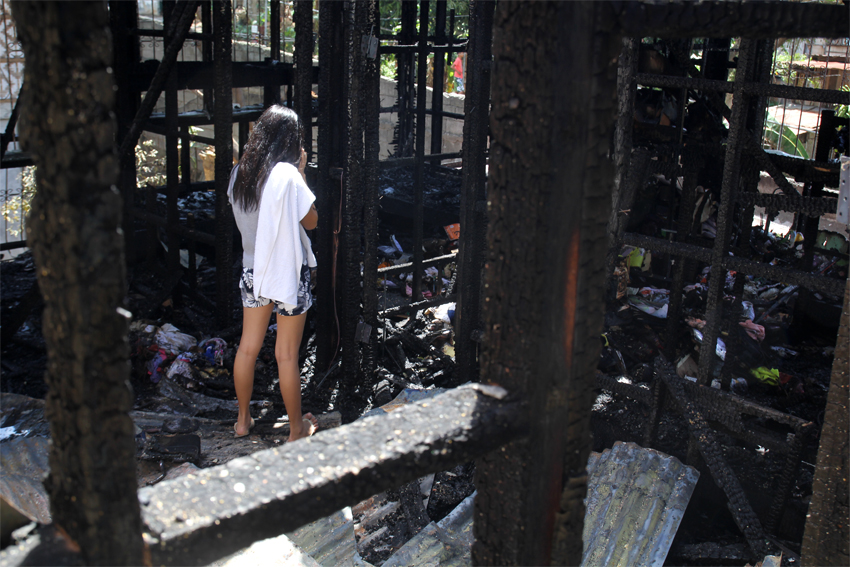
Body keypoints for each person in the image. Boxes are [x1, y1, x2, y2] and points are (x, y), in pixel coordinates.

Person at [227, 105, 319, 442]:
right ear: (290, 141)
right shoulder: (288, 176)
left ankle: (241, 420)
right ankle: (296, 429)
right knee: (286, 355)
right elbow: (311, 221)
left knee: (247, 349)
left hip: (253, 272)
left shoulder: (239, 173)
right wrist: (302, 172)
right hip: (287, 275)